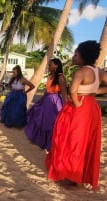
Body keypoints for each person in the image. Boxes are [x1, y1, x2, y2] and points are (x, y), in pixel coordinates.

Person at [45, 40, 107, 191]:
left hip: (78, 107)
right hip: (92, 107)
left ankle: (72, 175)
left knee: (70, 139)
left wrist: (77, 102)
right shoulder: (99, 71)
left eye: (76, 54)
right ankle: (79, 177)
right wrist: (93, 93)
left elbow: (72, 90)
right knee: (86, 141)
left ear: (83, 56)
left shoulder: (80, 72)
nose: (73, 56)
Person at [25, 58, 68, 151]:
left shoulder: (60, 77)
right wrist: (40, 101)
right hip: (47, 100)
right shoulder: (50, 76)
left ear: (56, 66)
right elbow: (47, 91)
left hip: (54, 102)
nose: (48, 67)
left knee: (51, 123)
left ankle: (51, 145)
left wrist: (67, 106)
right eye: (49, 65)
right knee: (42, 121)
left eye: (50, 65)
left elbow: (64, 93)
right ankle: (44, 143)